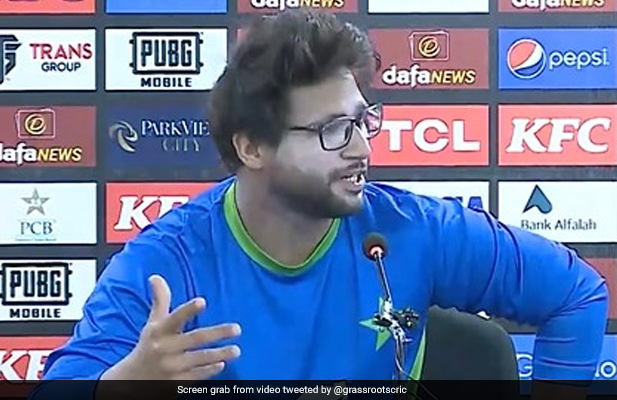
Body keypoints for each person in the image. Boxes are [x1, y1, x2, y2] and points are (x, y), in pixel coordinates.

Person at [36, 7, 607, 399]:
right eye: (333, 130)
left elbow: (577, 294)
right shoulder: (167, 262)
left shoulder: (414, 230)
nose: (362, 148)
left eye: (362, 121)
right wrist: (126, 384)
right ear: (252, 147)